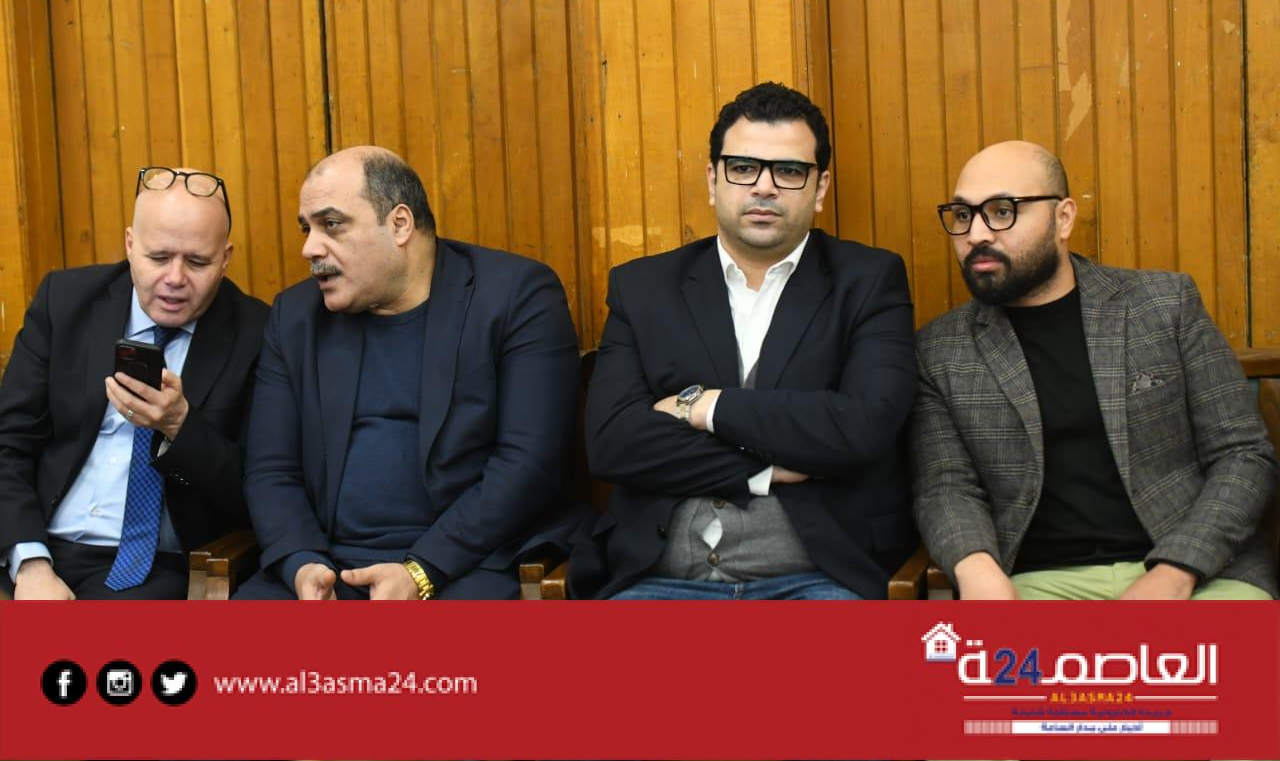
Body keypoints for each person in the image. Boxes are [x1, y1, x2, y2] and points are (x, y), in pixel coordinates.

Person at [569, 82, 918, 600]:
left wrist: (704, 407)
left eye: (789, 171)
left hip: (819, 581)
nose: (764, 187)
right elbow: (614, 443)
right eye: (743, 167)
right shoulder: (642, 287)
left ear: (820, 187)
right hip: (658, 581)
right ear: (713, 180)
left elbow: (861, 428)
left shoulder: (868, 281)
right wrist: (765, 469)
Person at [912, 139, 1277, 600]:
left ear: (1063, 218)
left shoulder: (1164, 305)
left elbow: (1244, 455)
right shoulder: (940, 349)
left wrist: (1175, 572)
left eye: (1002, 211)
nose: (977, 234)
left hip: (1197, 574)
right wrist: (977, 571)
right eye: (963, 215)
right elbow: (945, 486)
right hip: (1037, 583)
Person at [237, 146, 581, 600]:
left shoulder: (515, 296)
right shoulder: (295, 317)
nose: (309, 248)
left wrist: (421, 572)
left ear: (400, 224)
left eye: (331, 224)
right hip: (328, 566)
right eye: (307, 228)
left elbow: (528, 464)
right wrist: (301, 564)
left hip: (470, 563)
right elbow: (270, 470)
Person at [0, 167, 268, 599]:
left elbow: (260, 486)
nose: (175, 279)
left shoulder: (257, 333)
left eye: (197, 262)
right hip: (34, 544)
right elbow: (8, 443)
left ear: (225, 258)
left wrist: (180, 426)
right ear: (130, 245)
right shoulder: (65, 303)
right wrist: (30, 563)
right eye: (158, 258)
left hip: (151, 567)